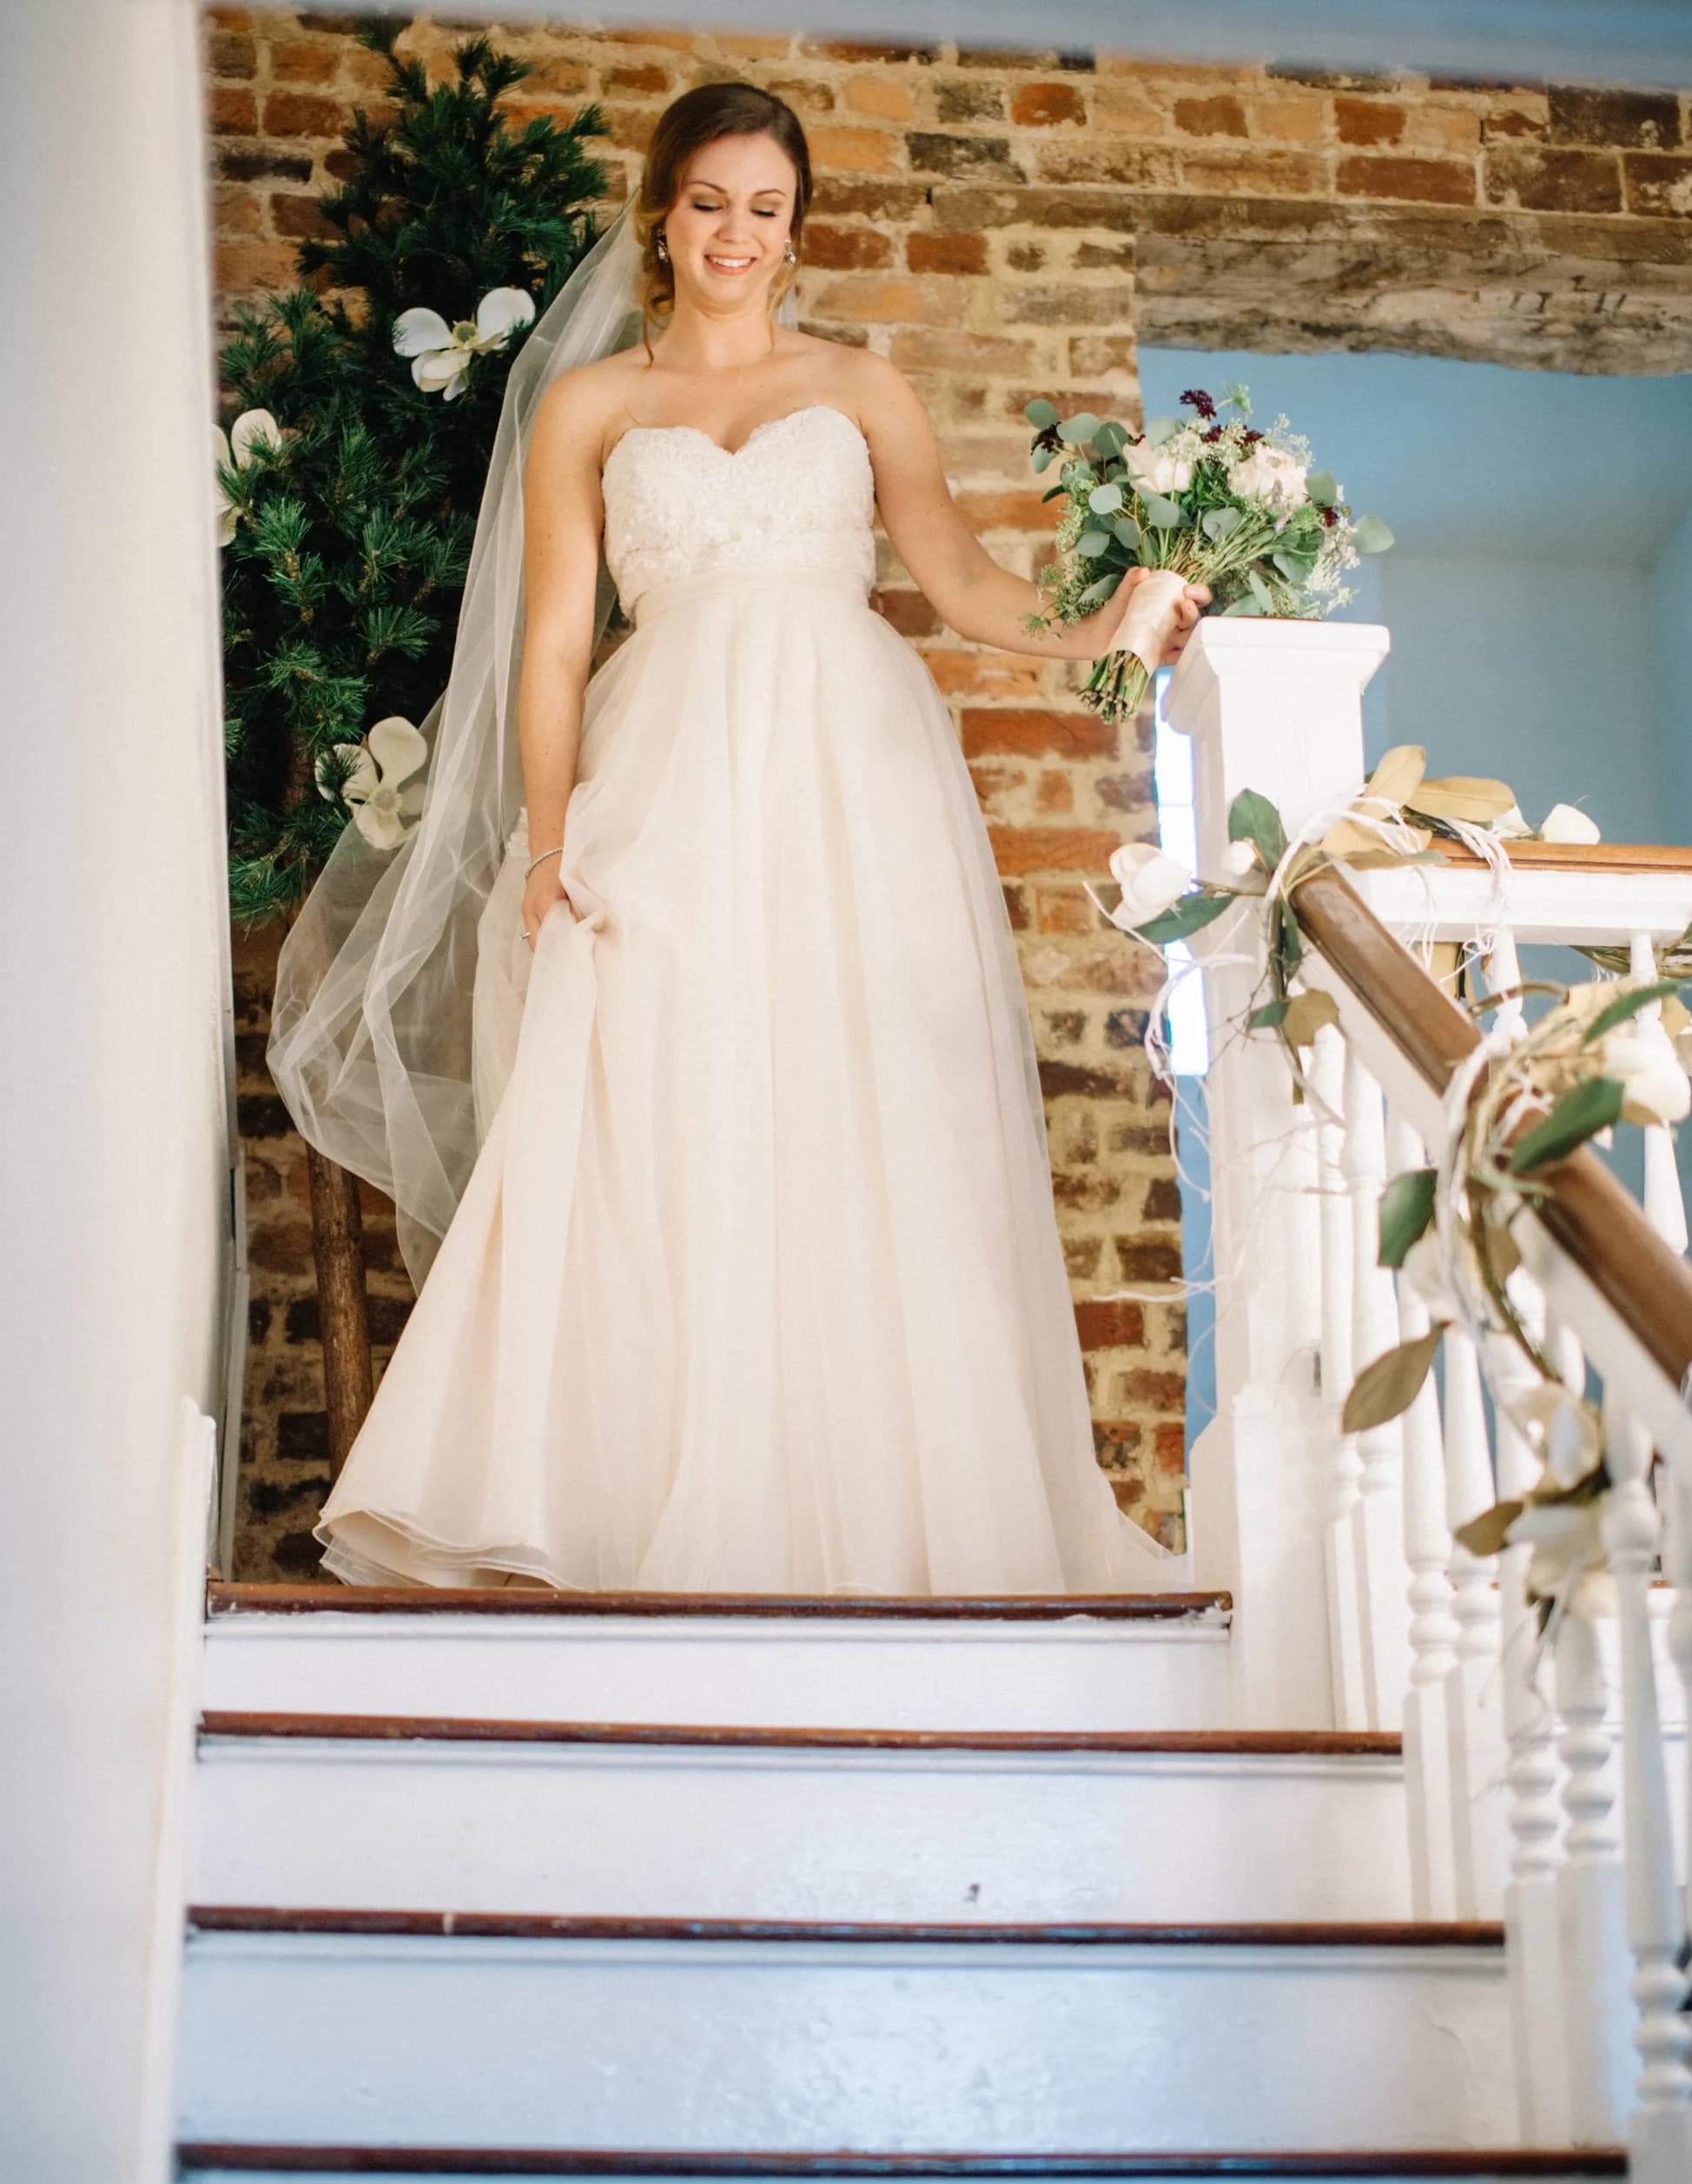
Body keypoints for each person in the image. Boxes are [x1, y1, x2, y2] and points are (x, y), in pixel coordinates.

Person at [269, 80, 1207, 1596]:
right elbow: (558, 648)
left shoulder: (863, 384)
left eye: (766, 208)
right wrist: (551, 842)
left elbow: (963, 583)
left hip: (852, 774)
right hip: (664, 773)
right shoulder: (592, 405)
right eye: (711, 201)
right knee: (658, 1100)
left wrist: (1106, 619)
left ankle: (877, 1522)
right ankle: (623, 1511)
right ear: (665, 212)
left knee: (863, 1104)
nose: (736, 233)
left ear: (795, 229)